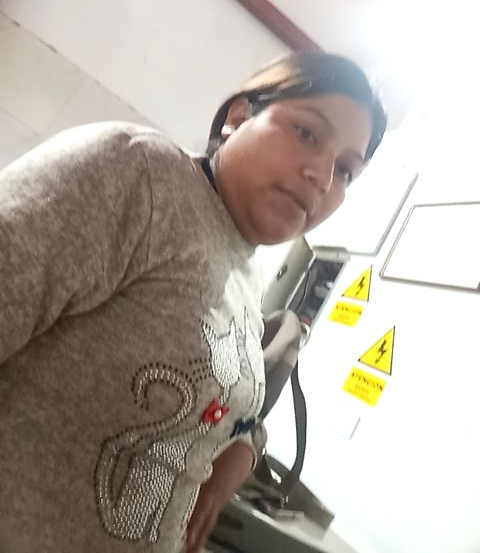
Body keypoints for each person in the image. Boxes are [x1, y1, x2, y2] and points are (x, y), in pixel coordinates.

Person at [0, 51, 386, 553]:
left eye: (346, 170)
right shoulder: (139, 174)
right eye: (307, 133)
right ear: (238, 116)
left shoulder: (244, 271)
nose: (323, 176)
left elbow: (216, 397)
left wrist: (241, 449)